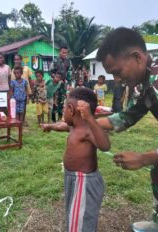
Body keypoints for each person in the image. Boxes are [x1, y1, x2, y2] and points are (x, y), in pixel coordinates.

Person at [96, 27, 158, 232]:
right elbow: (126, 116)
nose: (117, 79)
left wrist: (143, 159)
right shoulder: (145, 81)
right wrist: (86, 122)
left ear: (137, 57)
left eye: (117, 72)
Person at [41, 88, 110, 232]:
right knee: (75, 214)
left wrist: (91, 119)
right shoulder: (73, 126)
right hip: (73, 178)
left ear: (71, 109)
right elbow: (62, 125)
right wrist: (50, 126)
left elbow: (105, 146)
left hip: (83, 181)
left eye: (64, 108)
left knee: (81, 219)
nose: (63, 111)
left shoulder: (87, 130)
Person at [50, 46, 73, 120]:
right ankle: (53, 118)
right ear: (60, 52)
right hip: (55, 84)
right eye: (63, 52)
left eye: (66, 52)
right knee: (55, 100)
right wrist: (56, 78)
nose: (64, 54)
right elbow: (50, 71)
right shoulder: (55, 61)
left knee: (62, 100)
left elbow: (69, 72)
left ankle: (60, 117)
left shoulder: (68, 61)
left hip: (63, 84)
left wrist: (69, 83)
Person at [11, 54, 33, 125]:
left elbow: (30, 79)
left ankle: (23, 120)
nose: (16, 61)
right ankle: (18, 121)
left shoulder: (26, 68)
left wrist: (31, 91)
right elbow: (12, 84)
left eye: (18, 59)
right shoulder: (13, 70)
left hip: (25, 91)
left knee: (24, 107)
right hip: (16, 94)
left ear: (21, 60)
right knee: (17, 109)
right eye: (15, 59)